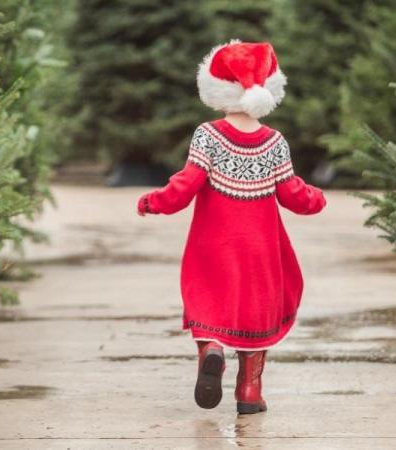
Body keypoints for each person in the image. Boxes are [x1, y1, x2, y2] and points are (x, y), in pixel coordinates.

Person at [136, 40, 326, 414]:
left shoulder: (207, 135)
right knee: (256, 311)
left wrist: (153, 201)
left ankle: (212, 351)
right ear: (269, 89)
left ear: (216, 89)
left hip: (212, 246)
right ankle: (250, 391)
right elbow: (294, 196)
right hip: (260, 249)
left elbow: (185, 185)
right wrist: (317, 198)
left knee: (210, 304)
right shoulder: (275, 142)